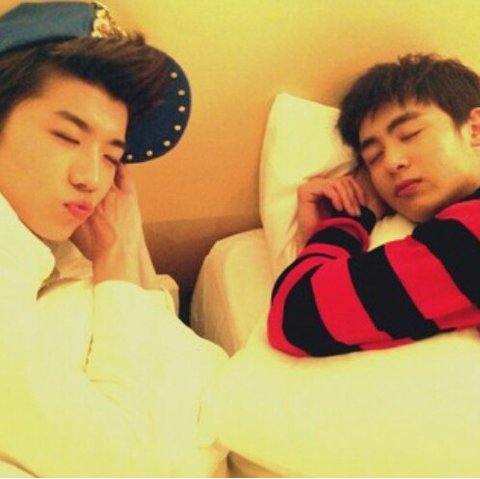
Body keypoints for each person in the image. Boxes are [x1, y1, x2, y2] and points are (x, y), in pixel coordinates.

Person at [0, 2, 227, 477]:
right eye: (67, 136)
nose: (91, 179)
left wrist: (127, 240)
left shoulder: (41, 247)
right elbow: (117, 465)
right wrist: (116, 268)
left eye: (111, 156)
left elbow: (161, 324)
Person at [268, 53, 480, 357]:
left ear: (474, 128)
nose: (391, 163)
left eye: (410, 134)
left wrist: (346, 221)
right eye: (373, 158)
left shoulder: (467, 237)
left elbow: (296, 316)